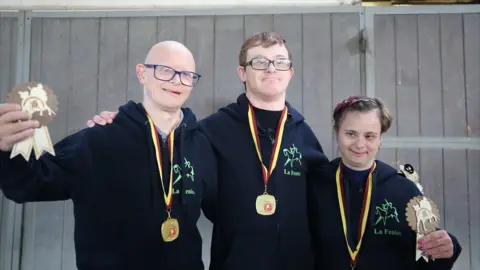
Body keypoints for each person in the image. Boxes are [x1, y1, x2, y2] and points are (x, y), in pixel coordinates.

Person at [87, 32, 328, 270]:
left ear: (290, 72)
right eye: (260, 62)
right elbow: (162, 148)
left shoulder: (303, 133)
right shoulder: (210, 130)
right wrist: (123, 123)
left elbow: (325, 202)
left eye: (280, 62)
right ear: (242, 72)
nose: (271, 69)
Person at [0, 41, 218, 270]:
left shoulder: (202, 144)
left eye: (186, 74)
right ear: (142, 73)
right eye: (165, 70)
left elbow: (225, 207)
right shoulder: (97, 140)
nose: (176, 80)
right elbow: (28, 185)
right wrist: (6, 150)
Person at [306, 96, 462, 270]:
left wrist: (449, 246)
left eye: (369, 136)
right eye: (351, 134)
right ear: (337, 133)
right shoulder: (313, 184)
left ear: (381, 138)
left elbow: (429, 250)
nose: (360, 144)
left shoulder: (405, 190)